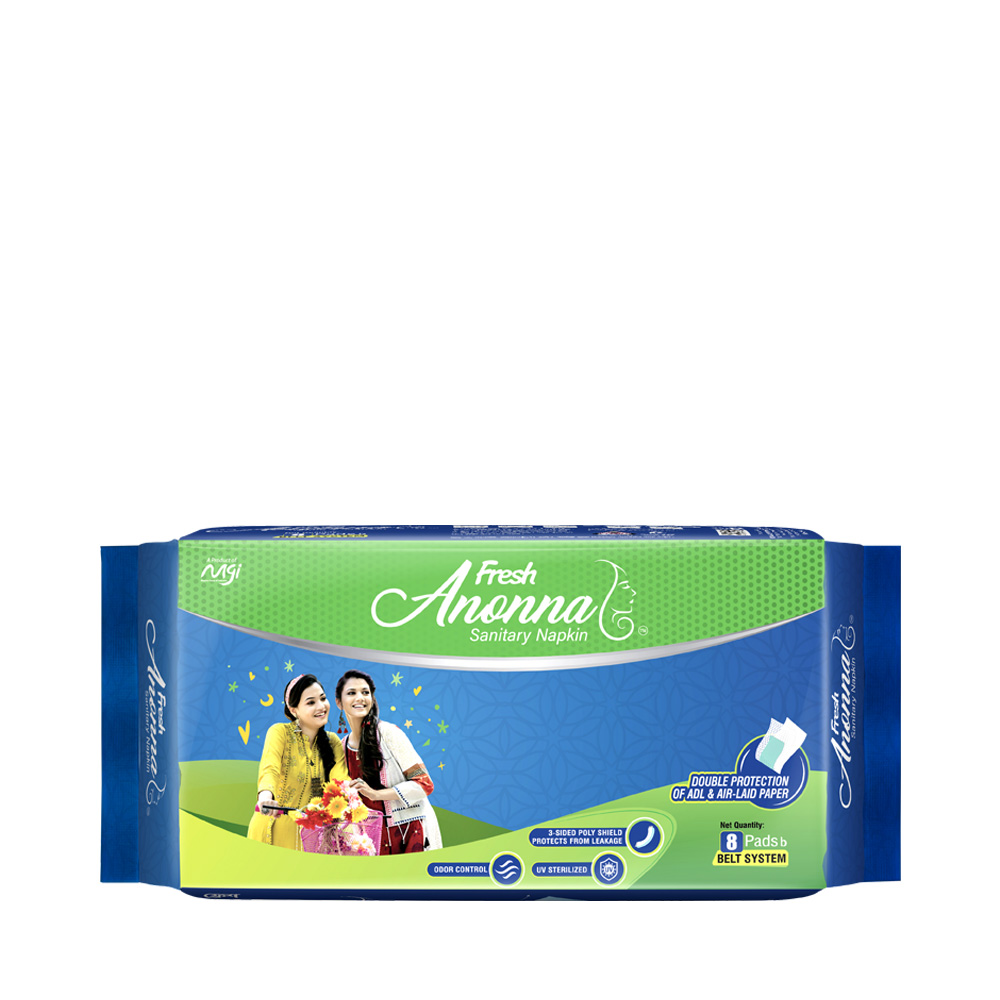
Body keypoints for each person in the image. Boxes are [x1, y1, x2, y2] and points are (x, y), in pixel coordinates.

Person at [335, 669, 442, 853]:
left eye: (365, 692)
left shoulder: (389, 734)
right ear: (339, 703)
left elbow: (424, 784)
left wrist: (375, 794)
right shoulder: (342, 747)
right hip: (372, 839)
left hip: (409, 831)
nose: (360, 697)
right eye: (351, 693)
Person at [247, 673, 348, 850]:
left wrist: (351, 799)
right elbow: (270, 769)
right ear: (293, 710)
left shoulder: (333, 742)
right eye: (311, 702)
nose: (321, 706)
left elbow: (341, 783)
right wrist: (265, 797)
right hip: (272, 830)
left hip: (311, 839)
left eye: (323, 698)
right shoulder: (280, 733)